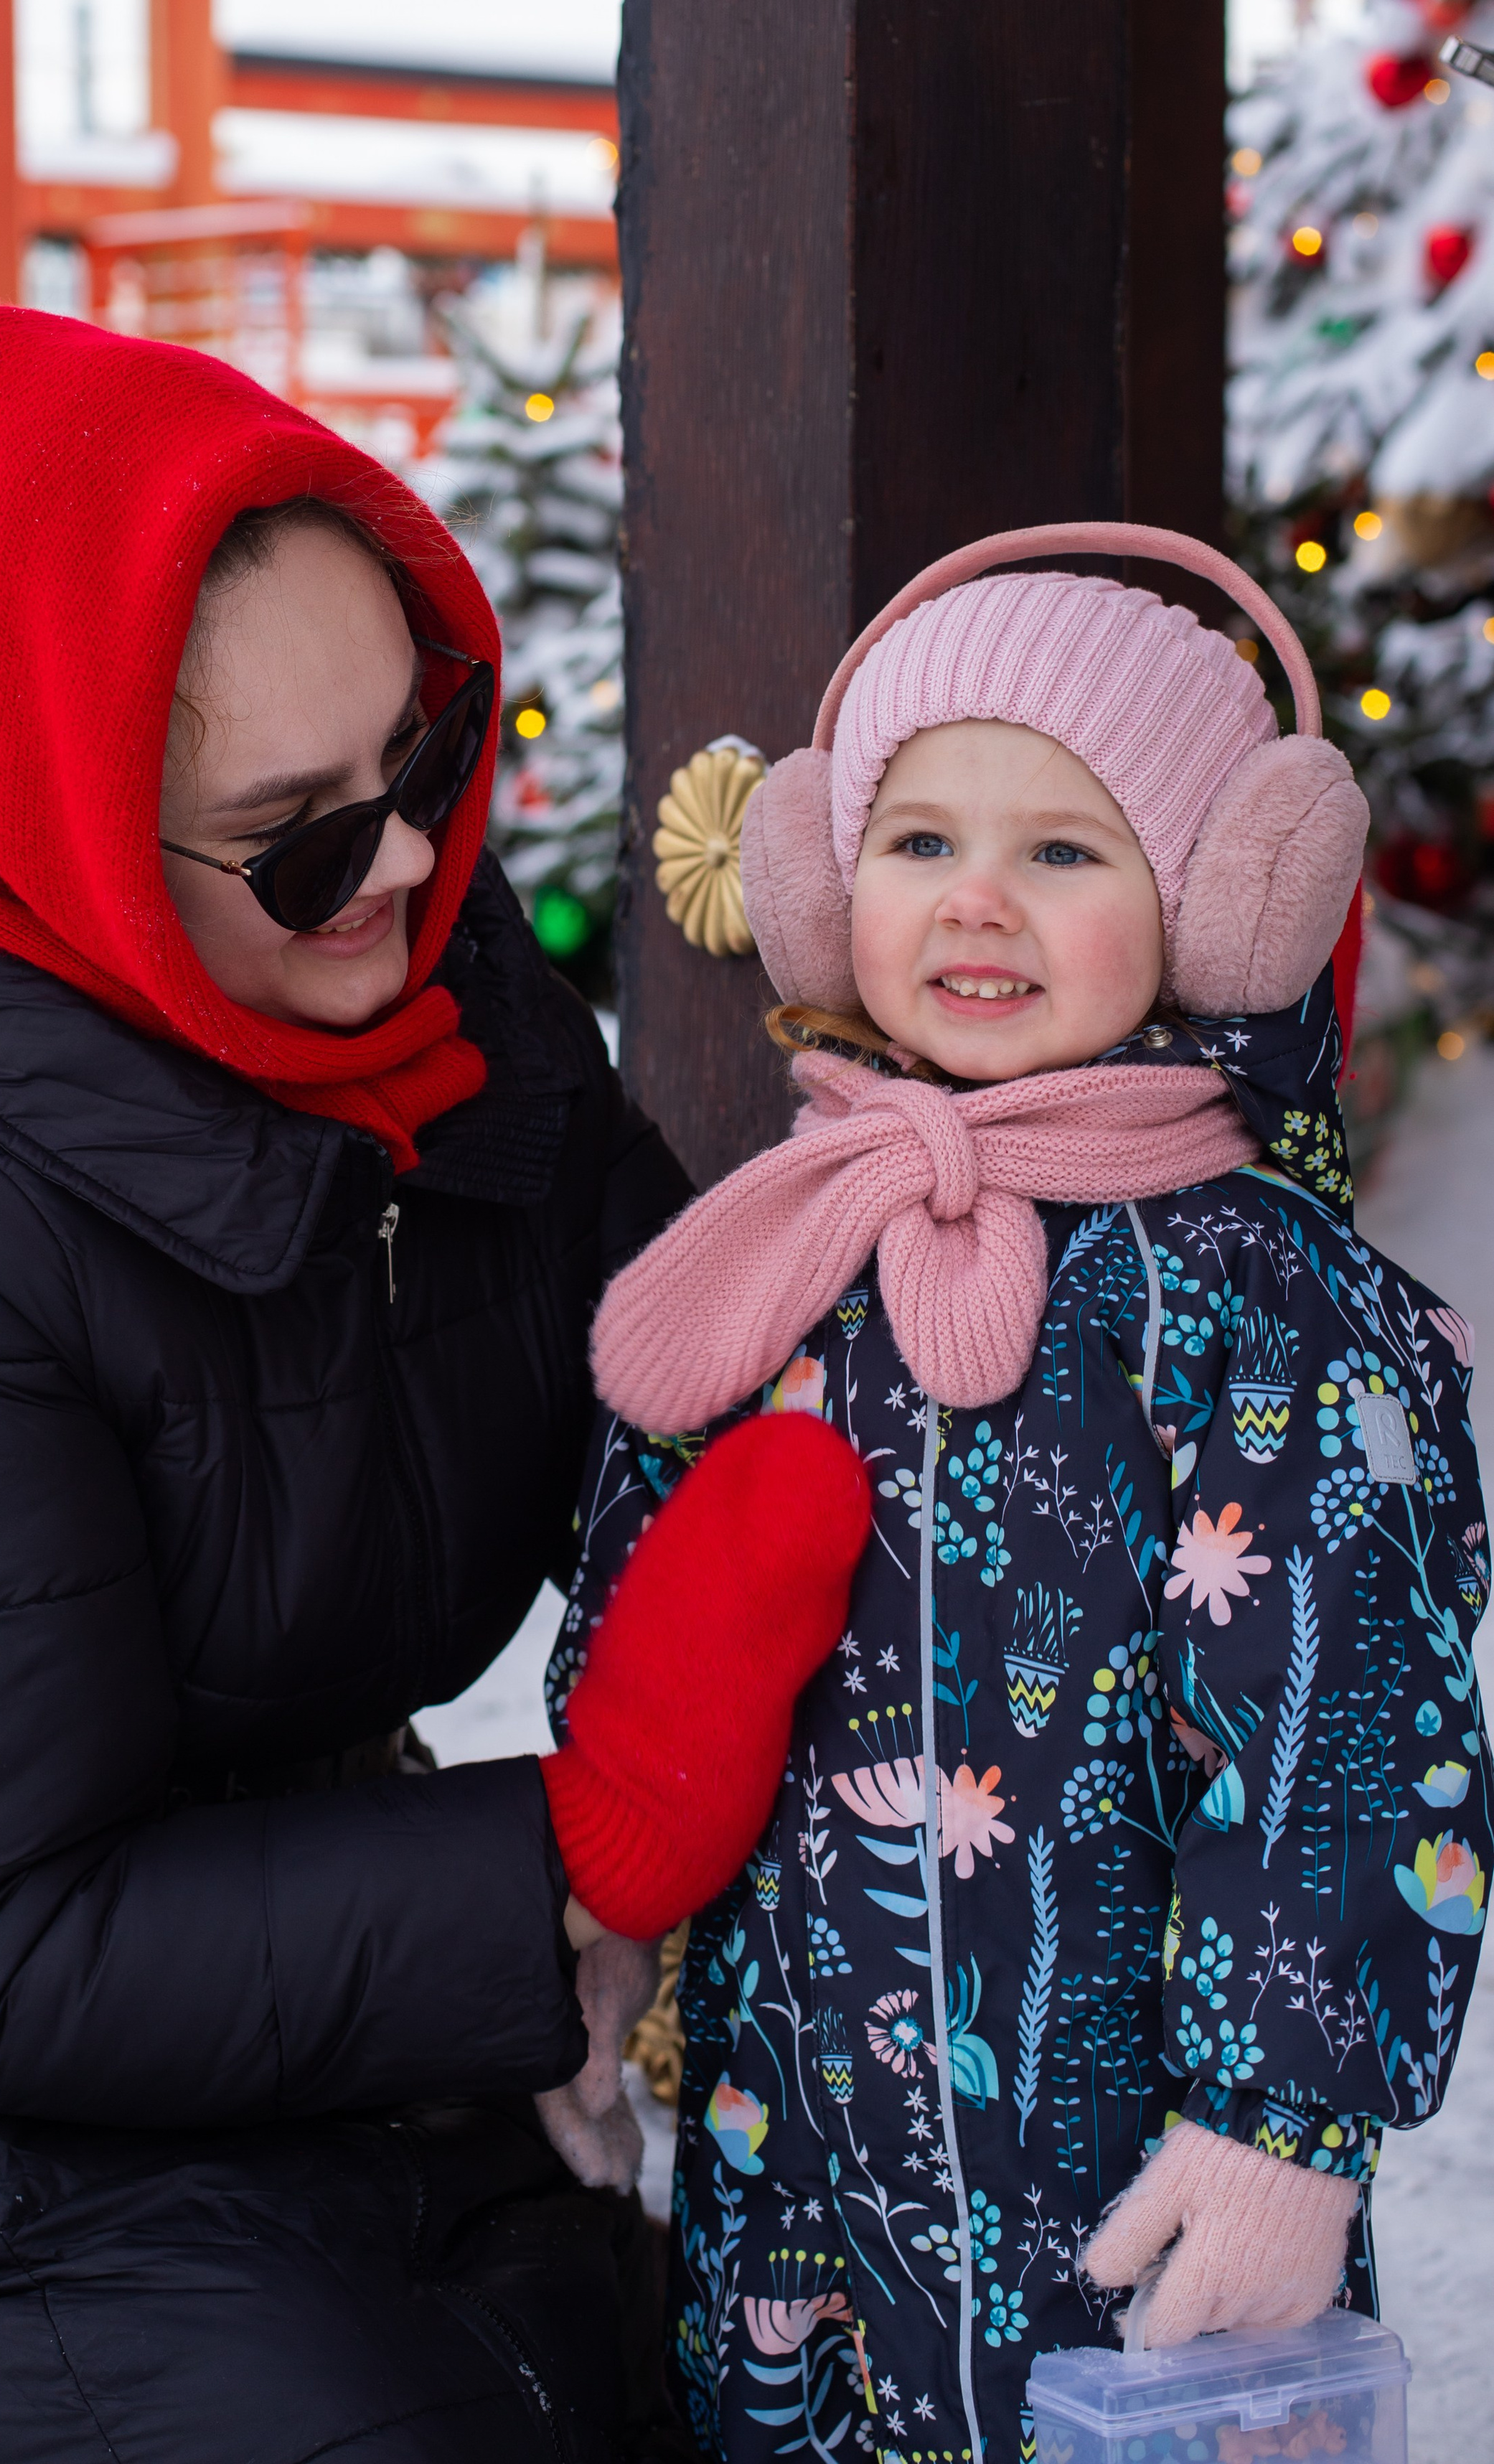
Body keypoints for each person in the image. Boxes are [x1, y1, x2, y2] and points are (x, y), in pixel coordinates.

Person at [0, 304, 736, 2462]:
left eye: (427, 760)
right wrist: (552, 1896)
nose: (415, 865)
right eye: (305, 835)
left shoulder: (434, 1006)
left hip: (281, 1931)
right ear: (51, 834)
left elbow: (695, 1370)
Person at [547, 525, 1493, 2464]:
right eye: (919, 844)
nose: (979, 901)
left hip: (1136, 2187)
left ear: (1218, 903)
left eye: (1063, 851)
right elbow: (646, 1645)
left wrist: (1280, 2125)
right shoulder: (782, 1249)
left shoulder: (1248, 1291)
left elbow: (1342, 1720)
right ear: (820, 886)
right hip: (791, 2159)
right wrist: (573, 1939)